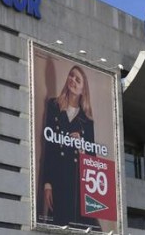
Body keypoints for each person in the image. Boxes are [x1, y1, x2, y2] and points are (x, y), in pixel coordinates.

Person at [39, 65, 98, 229]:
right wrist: (47, 183)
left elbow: (93, 160)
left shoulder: (87, 121)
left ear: (82, 89)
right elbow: (48, 147)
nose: (72, 80)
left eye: (77, 79)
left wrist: (82, 146)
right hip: (58, 181)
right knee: (58, 225)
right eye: (71, 76)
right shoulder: (54, 106)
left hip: (77, 185)